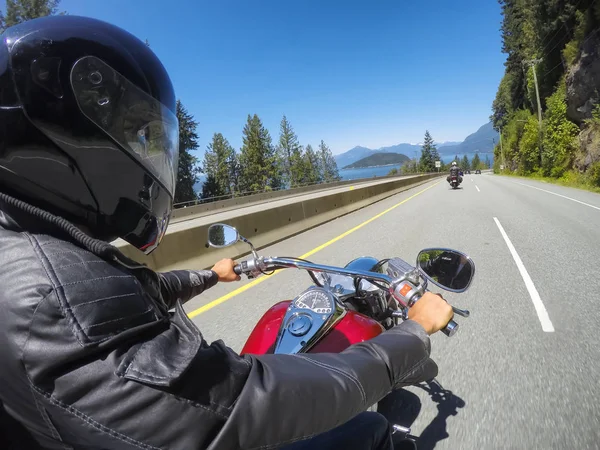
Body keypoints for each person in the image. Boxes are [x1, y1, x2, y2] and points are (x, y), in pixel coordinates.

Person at [0, 15, 454, 450]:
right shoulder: (56, 300)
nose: (149, 156)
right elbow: (241, 402)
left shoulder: (30, 253)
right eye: (140, 136)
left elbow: (128, 301)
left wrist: (211, 275)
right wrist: (411, 333)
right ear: (67, 126)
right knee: (369, 429)